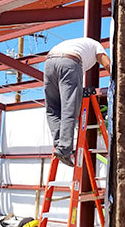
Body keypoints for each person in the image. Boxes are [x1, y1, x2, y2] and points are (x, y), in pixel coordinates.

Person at [44, 37, 111, 166]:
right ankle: (64, 149)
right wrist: (117, 82)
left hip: (49, 62)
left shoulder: (78, 43)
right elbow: (107, 64)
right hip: (70, 61)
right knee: (70, 108)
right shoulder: (97, 45)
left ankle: (60, 146)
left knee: (52, 108)